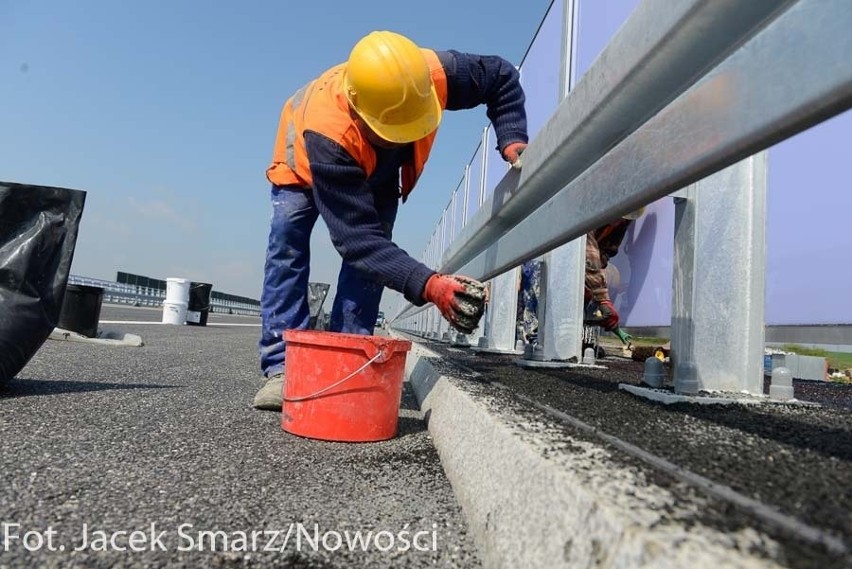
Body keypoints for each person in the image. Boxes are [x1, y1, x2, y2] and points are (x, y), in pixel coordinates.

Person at [254, 31, 529, 410]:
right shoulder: (329, 131)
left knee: (372, 266)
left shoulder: (430, 74)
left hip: (379, 167)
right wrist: (428, 285)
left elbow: (501, 76)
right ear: (360, 112)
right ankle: (282, 366)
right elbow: (357, 243)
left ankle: (350, 358)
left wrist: (511, 136)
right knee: (289, 242)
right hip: (303, 161)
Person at [584, 207, 644, 331]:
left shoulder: (623, 221)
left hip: (590, 267)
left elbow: (605, 253)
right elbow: (587, 253)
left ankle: (588, 325)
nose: (618, 222)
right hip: (564, 264)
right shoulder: (590, 211)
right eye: (618, 217)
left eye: (622, 220)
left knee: (612, 275)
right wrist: (602, 298)